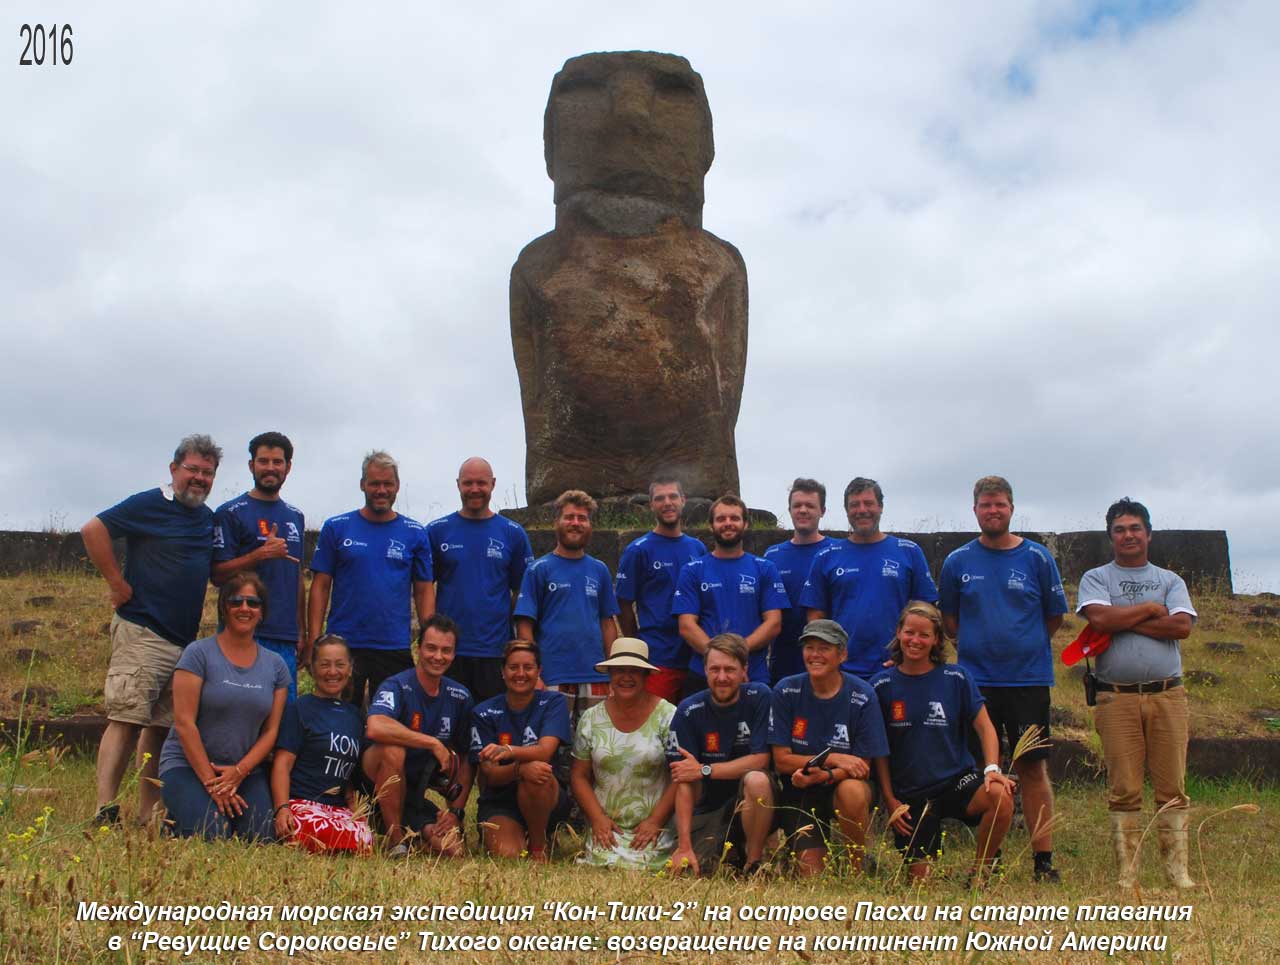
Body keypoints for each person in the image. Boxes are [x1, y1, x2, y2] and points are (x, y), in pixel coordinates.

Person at [80, 434, 222, 826]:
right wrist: (115, 582)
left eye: (207, 473)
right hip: (143, 630)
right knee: (126, 719)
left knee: (159, 729)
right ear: (174, 468)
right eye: (192, 469)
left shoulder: (205, 518)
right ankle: (105, 809)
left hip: (181, 641)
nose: (199, 478)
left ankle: (148, 813)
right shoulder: (151, 503)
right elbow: (93, 529)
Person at [938, 475, 1068, 883]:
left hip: (1028, 681)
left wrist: (1021, 646)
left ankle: (1042, 860)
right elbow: (950, 621)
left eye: (1000, 504)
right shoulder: (958, 562)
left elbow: (1054, 617)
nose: (993, 511)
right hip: (975, 683)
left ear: (1012, 508)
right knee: (980, 769)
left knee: (1032, 767)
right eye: (985, 504)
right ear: (974, 509)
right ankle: (987, 857)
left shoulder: (1037, 558)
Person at [1077, 498, 1198, 889]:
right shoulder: (1097, 578)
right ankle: (1127, 874)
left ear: (1148, 533)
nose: (1127, 535)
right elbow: (1098, 618)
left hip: (1168, 696)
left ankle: (1176, 871)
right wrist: (1149, 609)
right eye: (1119, 529)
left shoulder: (1170, 580)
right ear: (1110, 536)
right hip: (1116, 697)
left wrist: (1122, 621)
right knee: (1124, 788)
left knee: (1172, 787)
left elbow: (1181, 627)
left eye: (1134, 528)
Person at [871, 602, 1015, 882]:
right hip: (912, 792)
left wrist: (992, 769)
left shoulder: (956, 677)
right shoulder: (881, 685)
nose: (916, 640)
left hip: (956, 783)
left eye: (924, 635)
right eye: (909, 632)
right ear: (899, 633)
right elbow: (880, 752)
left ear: (937, 639)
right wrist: (889, 799)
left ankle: (982, 871)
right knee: (919, 884)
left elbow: (985, 727)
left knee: (1000, 795)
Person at [158, 573, 289, 840]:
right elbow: (184, 723)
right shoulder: (197, 654)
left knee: (261, 835)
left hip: (243, 771)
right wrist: (214, 784)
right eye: (236, 601)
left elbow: (271, 732)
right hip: (188, 766)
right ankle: (174, 822)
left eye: (253, 603)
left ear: (262, 612)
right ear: (223, 608)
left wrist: (239, 773)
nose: (244, 608)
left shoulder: (276, 665)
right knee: (214, 832)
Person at [309, 451, 435, 707]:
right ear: (362, 484)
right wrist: (314, 638)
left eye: (387, 484)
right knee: (339, 721)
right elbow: (321, 586)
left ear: (397, 486)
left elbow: (423, 590)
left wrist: (429, 639)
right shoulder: (336, 527)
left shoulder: (415, 533)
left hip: (393, 645)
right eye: (374, 483)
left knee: (390, 726)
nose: (381, 490)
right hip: (343, 644)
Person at [769, 619, 889, 876]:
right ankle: (798, 853)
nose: (814, 655)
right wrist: (833, 758)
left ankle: (859, 866)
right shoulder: (786, 690)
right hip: (800, 787)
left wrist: (828, 774)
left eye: (824, 648)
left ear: (842, 654)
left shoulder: (862, 694)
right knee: (813, 876)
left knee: (852, 791)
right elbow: (781, 761)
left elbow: (862, 766)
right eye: (809, 647)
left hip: (843, 785)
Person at [801, 477, 938, 678]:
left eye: (868, 503)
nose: (861, 510)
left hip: (898, 670)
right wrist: (828, 658)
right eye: (854, 505)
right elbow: (816, 616)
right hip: (843, 673)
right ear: (847, 510)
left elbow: (927, 613)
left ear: (881, 507)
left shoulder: (909, 552)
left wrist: (907, 656)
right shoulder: (826, 556)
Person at [361, 614, 474, 857]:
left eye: (446, 650)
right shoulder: (397, 685)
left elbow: (466, 758)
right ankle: (395, 841)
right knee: (393, 750)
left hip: (412, 794)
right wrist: (431, 742)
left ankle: (414, 837)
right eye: (431, 648)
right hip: (371, 789)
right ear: (418, 648)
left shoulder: (459, 696)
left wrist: (454, 813)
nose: (438, 656)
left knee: (453, 850)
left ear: (454, 654)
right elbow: (375, 726)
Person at [428, 457, 535, 702]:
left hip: (494, 651)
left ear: (493, 484)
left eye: (481, 483)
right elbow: (423, 588)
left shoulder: (513, 533)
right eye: (468, 483)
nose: (474, 489)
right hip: (448, 652)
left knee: (491, 728)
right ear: (458, 485)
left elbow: (522, 593)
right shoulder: (437, 531)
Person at [667, 633, 774, 876]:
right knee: (694, 870)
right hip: (708, 806)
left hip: (755, 800)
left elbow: (760, 760)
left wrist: (704, 769)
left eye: (730, 669)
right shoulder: (688, 710)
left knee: (757, 779)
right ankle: (723, 849)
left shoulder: (760, 696)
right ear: (704, 670)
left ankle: (754, 864)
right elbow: (684, 778)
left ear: (744, 670)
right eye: (715, 669)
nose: (722, 677)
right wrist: (684, 846)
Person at [212, 431, 306, 700]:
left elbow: (297, 577)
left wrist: (302, 631)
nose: (270, 468)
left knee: (283, 719)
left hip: (285, 638)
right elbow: (218, 574)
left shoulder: (295, 516)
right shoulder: (230, 512)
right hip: (242, 632)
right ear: (251, 465)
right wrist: (259, 555)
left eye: (277, 462)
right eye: (263, 461)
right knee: (238, 712)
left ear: (288, 467)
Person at [515, 490, 620, 726]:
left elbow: (607, 623)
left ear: (590, 525)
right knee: (552, 748)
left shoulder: (599, 570)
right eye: (569, 517)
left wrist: (614, 671)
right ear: (557, 522)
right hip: (553, 676)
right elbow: (524, 625)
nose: (575, 523)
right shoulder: (538, 569)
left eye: (582, 518)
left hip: (596, 676)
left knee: (596, 749)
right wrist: (535, 674)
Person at [570, 639, 677, 870]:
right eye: (619, 671)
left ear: (646, 676)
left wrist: (655, 821)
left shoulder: (668, 716)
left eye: (634, 672)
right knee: (606, 863)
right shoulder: (590, 718)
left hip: (654, 826)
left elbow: (680, 776)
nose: (626, 677)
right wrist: (597, 819)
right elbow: (579, 776)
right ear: (609, 674)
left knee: (650, 866)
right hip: (608, 827)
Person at [469, 641, 572, 861]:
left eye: (528, 667)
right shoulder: (483, 712)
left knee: (536, 771)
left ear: (539, 671)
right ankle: (518, 835)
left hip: (546, 793)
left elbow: (545, 751)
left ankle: (538, 846)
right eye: (513, 667)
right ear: (503, 672)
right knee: (509, 855)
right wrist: (519, 770)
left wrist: (509, 751)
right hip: (500, 800)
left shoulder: (553, 702)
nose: (521, 674)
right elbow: (491, 775)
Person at [270, 635, 373, 853]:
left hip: (336, 808)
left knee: (365, 839)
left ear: (350, 668)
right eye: (325, 665)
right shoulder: (299, 709)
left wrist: (352, 802)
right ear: (312, 668)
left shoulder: (355, 716)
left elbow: (348, 773)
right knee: (318, 831)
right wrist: (282, 808)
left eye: (340, 665)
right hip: (302, 803)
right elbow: (282, 764)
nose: (332, 672)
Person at [673, 494, 788, 688]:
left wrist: (736, 656)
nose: (728, 523)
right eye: (721, 519)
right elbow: (686, 626)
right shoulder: (693, 570)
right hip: (704, 675)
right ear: (711, 525)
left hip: (752, 675)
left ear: (745, 524)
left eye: (734, 518)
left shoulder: (765, 568)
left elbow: (774, 623)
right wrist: (720, 662)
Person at [616, 476, 708, 702]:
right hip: (658, 659)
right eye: (660, 498)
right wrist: (638, 643)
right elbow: (623, 603)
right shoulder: (638, 551)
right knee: (655, 730)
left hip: (697, 658)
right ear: (651, 505)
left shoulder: (698, 548)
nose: (667, 502)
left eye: (673, 496)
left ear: (683, 500)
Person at [765, 478, 838, 684]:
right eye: (797, 505)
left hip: (829, 661)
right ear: (789, 510)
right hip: (784, 664)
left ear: (822, 510)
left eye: (810, 505)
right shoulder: (772, 556)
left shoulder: (838, 551)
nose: (803, 510)